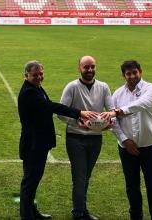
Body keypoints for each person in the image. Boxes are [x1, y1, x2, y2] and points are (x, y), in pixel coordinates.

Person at [18, 60, 97, 220]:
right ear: (26, 75)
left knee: (33, 182)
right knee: (30, 182)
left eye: (41, 73)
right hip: (33, 146)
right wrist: (79, 112)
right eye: (35, 75)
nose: (39, 77)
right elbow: (51, 106)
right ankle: (27, 216)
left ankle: (32, 212)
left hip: (37, 144)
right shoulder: (29, 92)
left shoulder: (34, 88)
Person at [103, 60, 152, 220]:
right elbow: (114, 122)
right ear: (123, 76)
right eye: (128, 73)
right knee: (132, 187)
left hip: (150, 147)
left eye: (134, 72)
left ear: (141, 72)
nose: (132, 76)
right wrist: (124, 140)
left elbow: (141, 104)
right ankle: (135, 216)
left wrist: (118, 111)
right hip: (126, 149)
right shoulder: (117, 94)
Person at [58, 55, 114, 220]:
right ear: (79, 69)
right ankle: (78, 213)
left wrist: (109, 122)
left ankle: (82, 209)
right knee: (79, 177)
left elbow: (112, 110)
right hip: (76, 138)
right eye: (86, 67)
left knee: (85, 177)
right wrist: (78, 123)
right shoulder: (72, 87)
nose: (90, 70)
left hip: (96, 139)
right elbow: (61, 112)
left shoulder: (103, 87)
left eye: (92, 67)